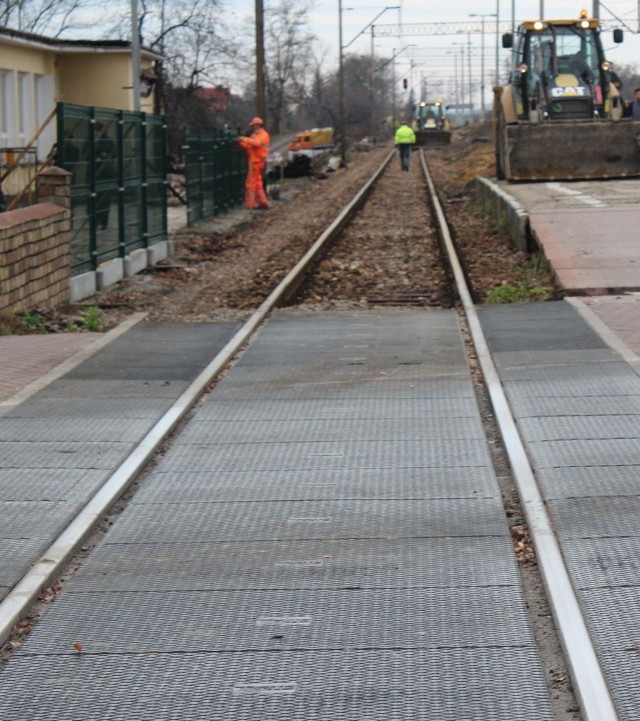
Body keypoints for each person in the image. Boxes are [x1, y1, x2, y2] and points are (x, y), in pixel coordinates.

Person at [236, 117, 270, 209]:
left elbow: (256, 143)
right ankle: (262, 202)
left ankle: (250, 203)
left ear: (258, 125)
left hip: (256, 161)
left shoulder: (263, 135)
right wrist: (239, 143)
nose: (252, 127)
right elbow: (249, 146)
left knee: (250, 183)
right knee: (257, 183)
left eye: (253, 125)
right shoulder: (255, 135)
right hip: (255, 161)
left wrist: (243, 138)